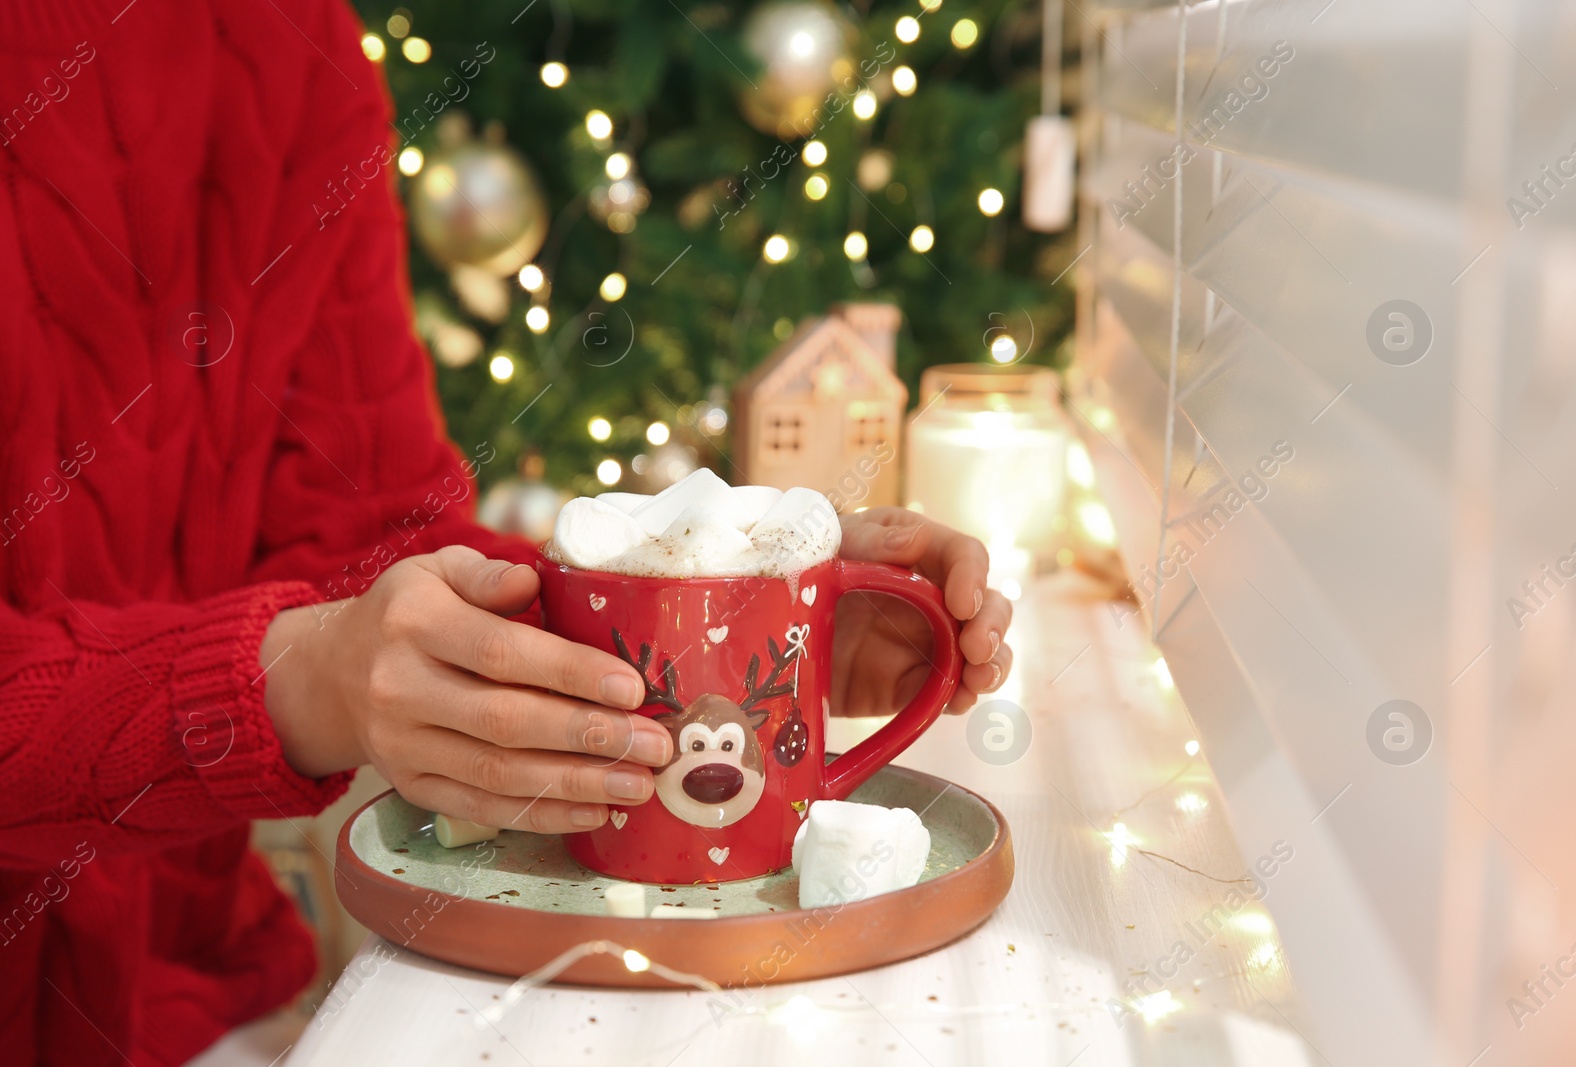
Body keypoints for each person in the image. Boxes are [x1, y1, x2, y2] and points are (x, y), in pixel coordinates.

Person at [0, 1, 1014, 1063]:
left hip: (188, 1003)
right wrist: (295, 683)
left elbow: (374, 538)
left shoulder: (282, 41)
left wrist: (731, 618)